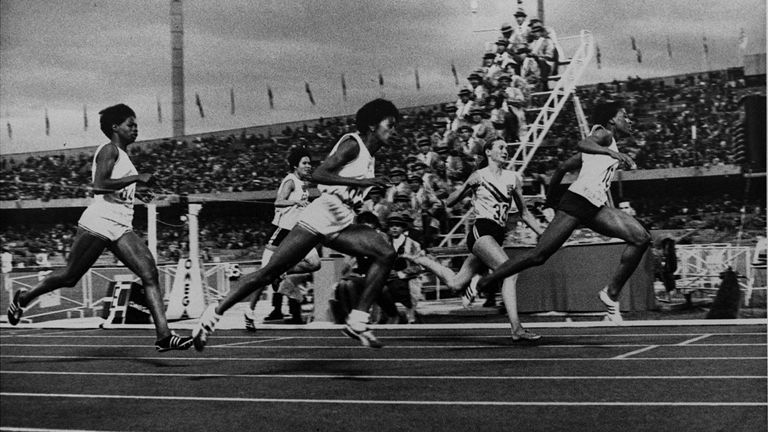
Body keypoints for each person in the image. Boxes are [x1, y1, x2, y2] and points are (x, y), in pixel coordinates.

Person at [192, 99, 400, 350]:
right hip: (321, 216)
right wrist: (365, 184)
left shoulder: (370, 157)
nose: (394, 130)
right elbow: (318, 174)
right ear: (372, 125)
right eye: (390, 124)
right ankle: (212, 315)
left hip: (342, 219)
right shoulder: (353, 144)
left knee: (386, 252)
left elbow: (348, 188)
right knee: (268, 273)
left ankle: (358, 320)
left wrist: (362, 197)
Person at [5, 104, 193, 351]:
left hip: (121, 226)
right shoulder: (108, 150)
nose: (135, 129)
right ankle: (24, 298)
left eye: (136, 124)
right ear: (115, 127)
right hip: (100, 222)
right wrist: (137, 178)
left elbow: (117, 189)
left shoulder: (124, 156)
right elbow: (99, 185)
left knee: (149, 273)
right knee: (70, 277)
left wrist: (138, 194)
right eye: (130, 124)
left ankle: (164, 335)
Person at [476, 101, 652, 322]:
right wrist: (613, 154)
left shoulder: (606, 146)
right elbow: (582, 143)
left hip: (595, 207)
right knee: (538, 255)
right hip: (577, 203)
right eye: (624, 115)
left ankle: (611, 294)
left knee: (641, 238)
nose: (629, 120)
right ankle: (482, 283)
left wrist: (550, 202)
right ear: (611, 119)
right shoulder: (604, 134)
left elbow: (561, 169)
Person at [405, 139, 544, 340]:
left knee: (455, 283)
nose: (505, 151)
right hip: (481, 232)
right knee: (510, 272)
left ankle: (422, 260)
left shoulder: (513, 178)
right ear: (488, 152)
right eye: (501, 148)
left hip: (497, 236)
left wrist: (542, 233)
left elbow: (524, 213)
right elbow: (451, 202)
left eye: (507, 148)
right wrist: (461, 189)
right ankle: (516, 328)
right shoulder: (479, 176)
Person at [244, 146, 321, 330]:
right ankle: (249, 311)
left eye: (310, 163)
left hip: (298, 232)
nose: (308, 166)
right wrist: (295, 202)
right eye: (305, 163)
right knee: (263, 275)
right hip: (281, 231)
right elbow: (278, 201)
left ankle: (281, 273)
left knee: (314, 263)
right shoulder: (290, 181)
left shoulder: (304, 183)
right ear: (295, 165)